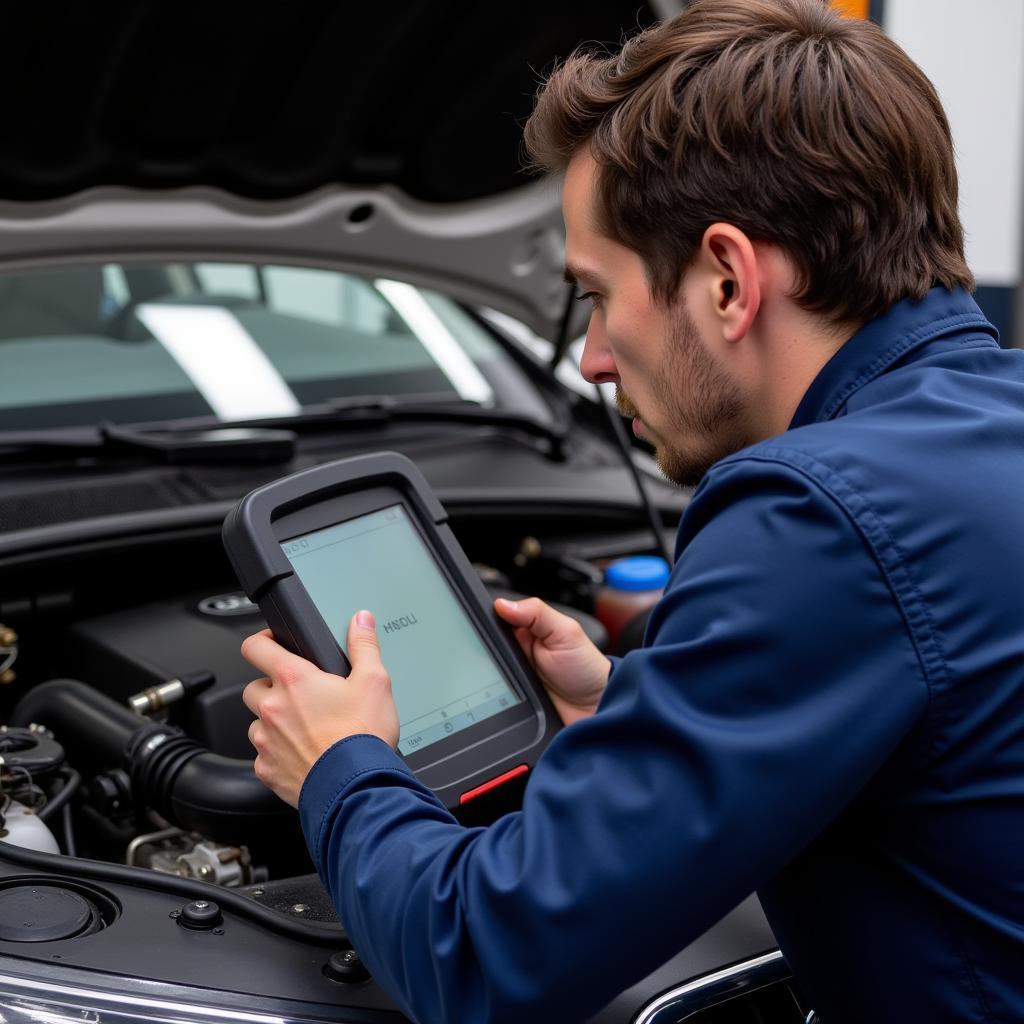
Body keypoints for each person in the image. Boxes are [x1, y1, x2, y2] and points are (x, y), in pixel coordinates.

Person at [240, 0, 1024, 1020]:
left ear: (729, 280)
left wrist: (340, 766)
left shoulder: (818, 514)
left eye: (599, 295)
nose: (591, 359)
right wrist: (632, 706)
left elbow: (479, 957)